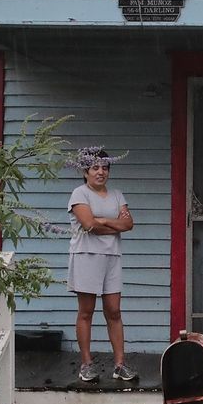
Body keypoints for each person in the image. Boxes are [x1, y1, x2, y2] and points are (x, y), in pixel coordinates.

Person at [68, 147, 137, 384]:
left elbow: (129, 225)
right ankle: (86, 364)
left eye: (105, 168)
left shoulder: (117, 195)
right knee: (86, 311)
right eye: (95, 168)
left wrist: (105, 220)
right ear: (85, 171)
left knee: (114, 310)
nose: (101, 172)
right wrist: (112, 224)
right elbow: (89, 225)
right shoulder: (80, 194)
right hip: (86, 255)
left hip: (112, 257)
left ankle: (119, 364)